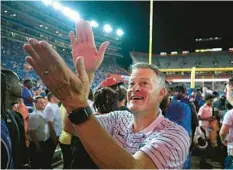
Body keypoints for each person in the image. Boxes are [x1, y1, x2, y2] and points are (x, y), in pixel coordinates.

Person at [23, 19, 190, 169]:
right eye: (131, 83)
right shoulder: (119, 118)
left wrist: (76, 103)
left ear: (161, 93)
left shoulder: (175, 135)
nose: (134, 88)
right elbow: (71, 126)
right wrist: (87, 74)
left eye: (144, 83)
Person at [1, 68, 29, 168]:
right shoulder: (3, 119)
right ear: (7, 85)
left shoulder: (14, 115)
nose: (21, 86)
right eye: (18, 82)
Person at [28, 96, 50, 168]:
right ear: (35, 104)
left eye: (44, 102)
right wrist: (37, 145)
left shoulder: (43, 113)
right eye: (40, 102)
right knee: (36, 164)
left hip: (44, 143)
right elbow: (32, 132)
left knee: (43, 163)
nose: (43, 104)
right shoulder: (34, 115)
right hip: (37, 144)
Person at [44, 92, 62, 168]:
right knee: (47, 158)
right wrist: (54, 139)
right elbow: (50, 125)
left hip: (55, 135)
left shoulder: (54, 106)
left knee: (49, 158)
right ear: (52, 98)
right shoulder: (50, 108)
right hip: (51, 137)